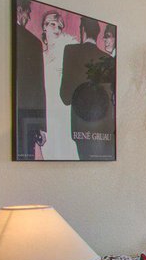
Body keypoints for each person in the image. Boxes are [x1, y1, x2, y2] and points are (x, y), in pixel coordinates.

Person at [60, 16, 115, 160]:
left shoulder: (71, 51)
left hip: (81, 127)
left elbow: (65, 96)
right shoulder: (107, 59)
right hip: (106, 128)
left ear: (82, 29)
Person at [39, 9, 77, 160]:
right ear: (45, 27)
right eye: (52, 24)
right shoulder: (39, 56)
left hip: (63, 111)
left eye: (59, 26)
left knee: (66, 148)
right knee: (48, 150)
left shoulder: (66, 54)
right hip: (47, 110)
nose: (56, 28)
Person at [13, 0, 46, 159]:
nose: (29, 18)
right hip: (26, 119)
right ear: (19, 10)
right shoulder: (32, 42)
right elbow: (38, 88)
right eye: (28, 13)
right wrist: (40, 126)